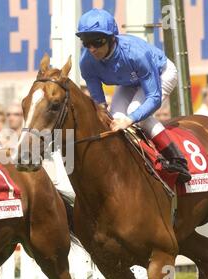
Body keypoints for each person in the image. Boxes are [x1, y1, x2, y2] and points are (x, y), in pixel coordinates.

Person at [76, 8, 191, 183]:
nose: (92, 49)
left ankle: (177, 159)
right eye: (86, 42)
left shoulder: (136, 54)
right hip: (129, 81)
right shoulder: (86, 63)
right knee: (115, 118)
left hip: (161, 73)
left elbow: (153, 97)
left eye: (97, 42)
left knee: (135, 113)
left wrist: (130, 120)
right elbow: (99, 104)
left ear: (112, 38)